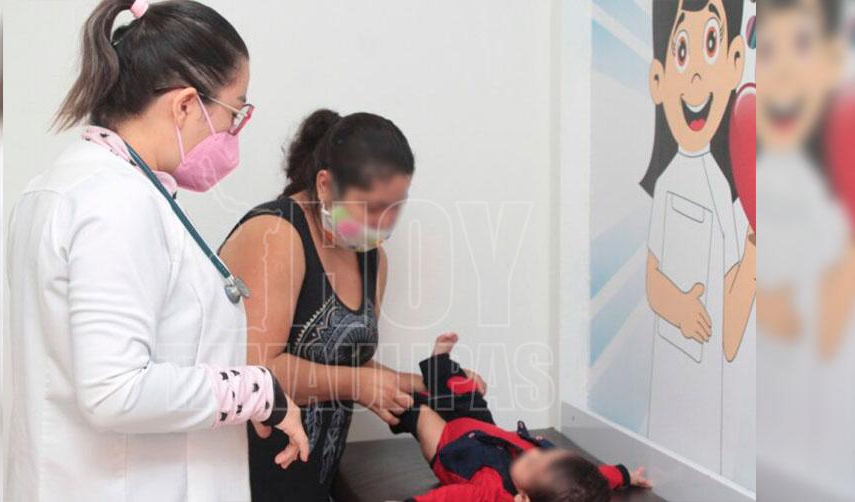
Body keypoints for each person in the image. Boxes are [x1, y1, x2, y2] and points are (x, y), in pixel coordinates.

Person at [6, 1, 307, 500]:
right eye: (235, 113)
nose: (232, 133)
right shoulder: (117, 202)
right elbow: (115, 391)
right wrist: (255, 391)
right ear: (186, 105)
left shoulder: (60, 186)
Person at [221, 109, 484, 500]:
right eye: (372, 207)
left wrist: (429, 386)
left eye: (395, 208)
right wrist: (358, 385)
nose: (383, 224)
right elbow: (254, 371)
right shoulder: (275, 234)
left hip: (311, 481)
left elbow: (343, 361)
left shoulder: (372, 259)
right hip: (243, 481)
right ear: (325, 185)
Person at [639, 0, 756, 471]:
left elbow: (729, 335)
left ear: (734, 62)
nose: (695, 77)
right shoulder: (668, 184)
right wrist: (678, 307)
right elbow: (652, 280)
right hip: (672, 383)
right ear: (658, 78)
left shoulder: (724, 191)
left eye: (711, 43)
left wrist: (753, 254)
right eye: (682, 51)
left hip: (712, 404)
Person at [390, 334, 652, 502]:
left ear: (523, 498)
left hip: (451, 447)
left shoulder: (491, 493)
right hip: (485, 432)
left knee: (418, 412)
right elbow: (593, 478)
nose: (535, 453)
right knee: (467, 391)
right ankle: (439, 363)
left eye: (535, 462)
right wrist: (624, 475)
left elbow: (451, 497)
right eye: (547, 456)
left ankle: (410, 407)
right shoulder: (563, 478)